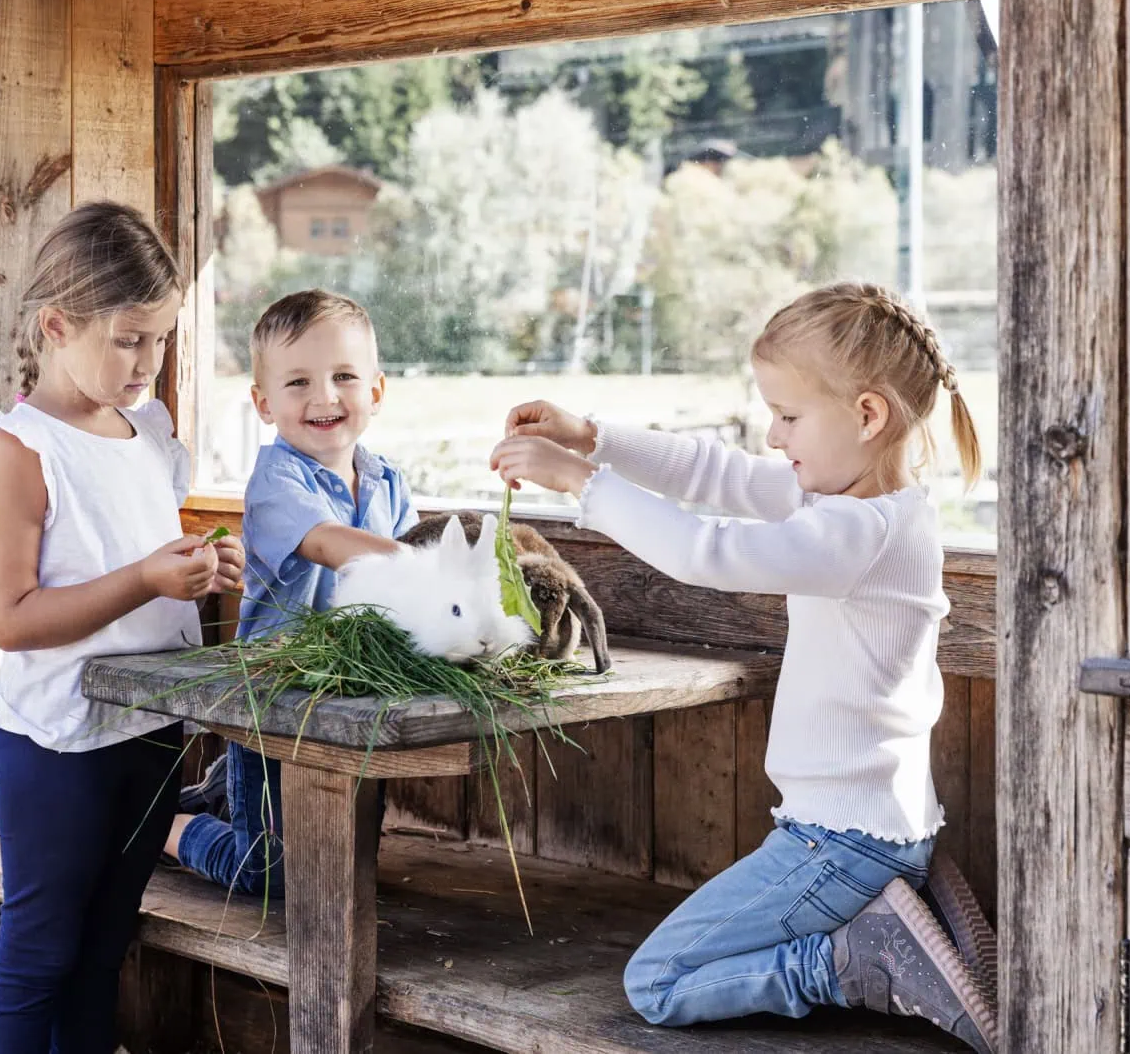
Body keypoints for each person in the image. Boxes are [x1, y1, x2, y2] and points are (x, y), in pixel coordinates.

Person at [489, 282, 998, 1051]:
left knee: (655, 982)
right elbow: (712, 474)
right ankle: (902, 908)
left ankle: (852, 962)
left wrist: (579, 483)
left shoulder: (855, 532)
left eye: (789, 416)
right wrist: (593, 436)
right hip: (869, 831)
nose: (771, 435)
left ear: (867, 414)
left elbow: (705, 551)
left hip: (840, 842)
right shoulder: (867, 505)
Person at [0, 201, 244, 1052]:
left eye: (161, 340)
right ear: (56, 324)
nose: (149, 361)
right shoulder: (20, 450)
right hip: (55, 746)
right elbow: (10, 617)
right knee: (40, 949)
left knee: (104, 949)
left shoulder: (145, 431)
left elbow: (147, 565)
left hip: (150, 732)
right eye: (128, 339)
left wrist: (199, 569)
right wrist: (148, 576)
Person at [167, 288, 416, 895]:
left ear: (376, 391)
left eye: (344, 377)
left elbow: (407, 589)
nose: (324, 397)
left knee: (343, 858)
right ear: (264, 402)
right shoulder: (276, 480)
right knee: (271, 871)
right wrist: (428, 566)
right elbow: (330, 543)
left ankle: (225, 792)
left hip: (350, 696)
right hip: (276, 695)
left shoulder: (387, 481)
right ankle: (163, 825)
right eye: (298, 382)